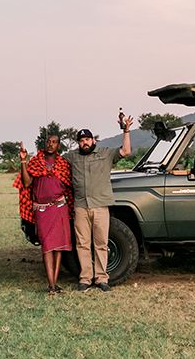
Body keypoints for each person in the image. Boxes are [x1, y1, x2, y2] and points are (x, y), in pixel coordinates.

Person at [64, 115, 133, 292]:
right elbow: (56, 162)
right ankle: (85, 279)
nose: (84, 143)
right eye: (81, 141)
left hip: (101, 205)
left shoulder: (105, 154)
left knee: (101, 243)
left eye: (87, 139)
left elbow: (125, 151)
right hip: (80, 206)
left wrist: (126, 131)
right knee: (82, 244)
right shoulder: (72, 157)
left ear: (93, 140)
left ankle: (102, 278)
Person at [13, 135, 74, 295]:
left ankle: (54, 285)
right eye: (48, 141)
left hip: (60, 208)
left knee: (59, 247)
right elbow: (26, 183)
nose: (50, 144)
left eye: (54, 142)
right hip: (42, 210)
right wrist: (23, 161)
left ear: (58, 145)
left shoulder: (63, 164)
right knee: (47, 247)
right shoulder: (35, 162)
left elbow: (68, 185)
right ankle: (51, 284)